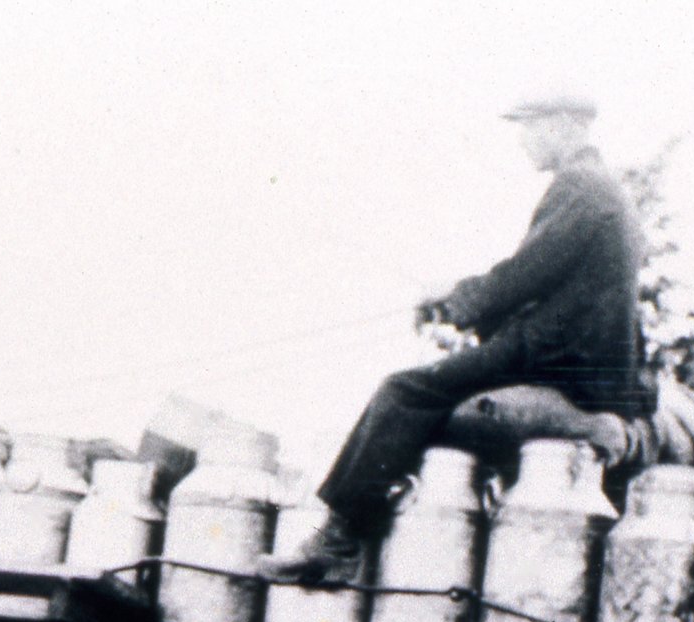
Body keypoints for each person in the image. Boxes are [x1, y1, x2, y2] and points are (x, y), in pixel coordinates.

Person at [266, 93, 656, 584]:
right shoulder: (606, 190)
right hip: (585, 356)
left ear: (561, 126)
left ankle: (340, 541)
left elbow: (522, 277)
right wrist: (461, 302)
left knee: (405, 392)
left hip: (560, 356)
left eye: (528, 128)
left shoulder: (580, 186)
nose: (523, 142)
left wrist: (454, 301)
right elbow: (543, 283)